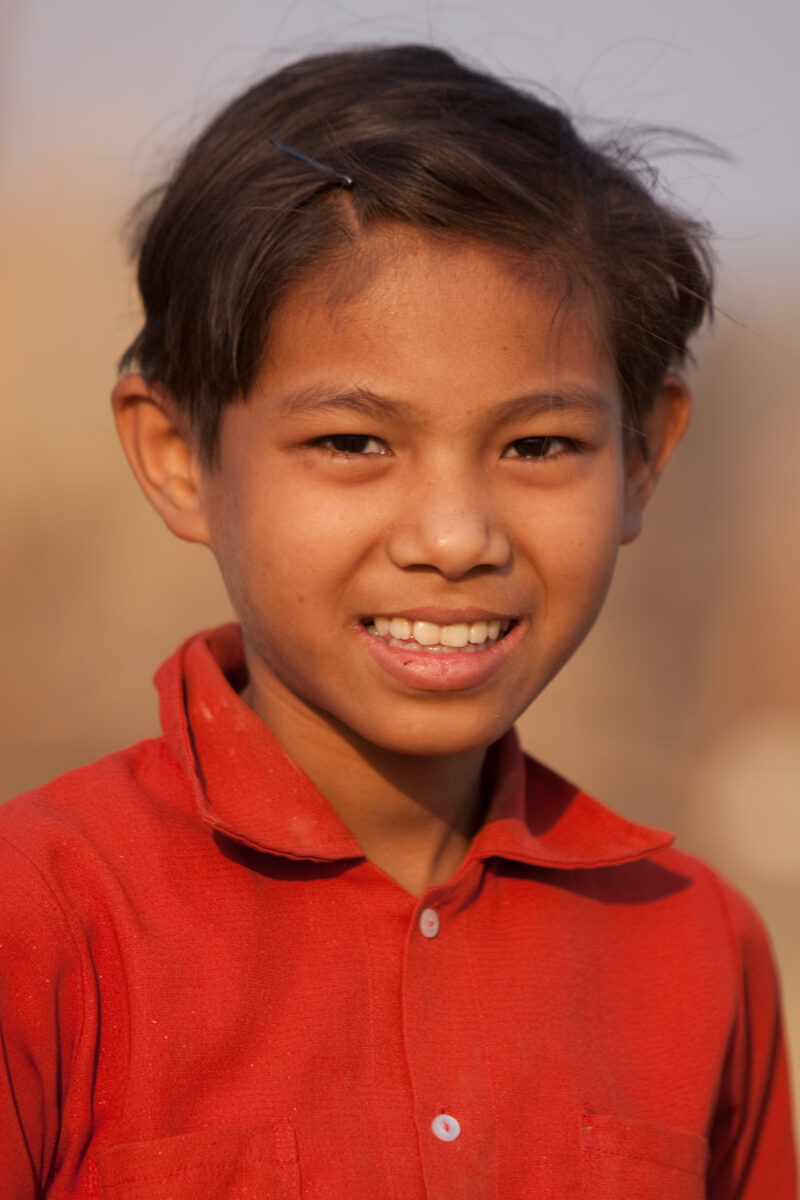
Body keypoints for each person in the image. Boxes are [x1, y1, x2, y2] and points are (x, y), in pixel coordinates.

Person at [0, 43, 795, 1199]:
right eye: (352, 444)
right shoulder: (42, 921)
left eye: (538, 447)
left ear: (640, 458)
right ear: (178, 458)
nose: (454, 535)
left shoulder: (694, 949)